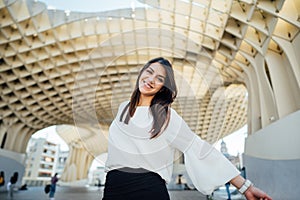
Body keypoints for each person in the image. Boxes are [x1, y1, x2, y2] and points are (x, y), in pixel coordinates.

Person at [102, 57, 272, 200]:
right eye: (149, 71)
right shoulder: (123, 109)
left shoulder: (165, 116)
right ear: (142, 73)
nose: (151, 79)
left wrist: (245, 187)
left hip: (148, 190)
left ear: (163, 87)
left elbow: (198, 148)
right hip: (113, 189)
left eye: (160, 79)